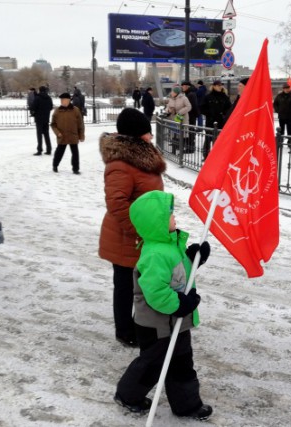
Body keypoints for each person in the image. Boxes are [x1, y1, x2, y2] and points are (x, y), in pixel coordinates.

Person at [114, 190, 213, 421]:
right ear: (156, 223)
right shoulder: (155, 254)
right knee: (152, 365)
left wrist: (193, 258)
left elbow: (178, 276)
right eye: (169, 215)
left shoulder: (169, 246)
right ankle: (127, 395)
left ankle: (187, 405)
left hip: (176, 321)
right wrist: (179, 304)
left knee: (181, 364)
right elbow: (156, 291)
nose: (174, 218)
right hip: (157, 325)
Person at [99, 108, 166, 348]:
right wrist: (141, 230)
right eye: (146, 132)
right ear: (135, 135)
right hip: (127, 236)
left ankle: (143, 326)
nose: (150, 136)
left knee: (144, 283)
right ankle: (125, 331)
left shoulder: (142, 156)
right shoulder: (120, 164)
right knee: (126, 286)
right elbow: (117, 204)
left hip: (146, 234)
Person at [51, 93, 85, 174]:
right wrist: (57, 133)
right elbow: (53, 124)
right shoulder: (57, 111)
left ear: (68, 100)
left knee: (75, 153)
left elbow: (80, 124)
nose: (61, 101)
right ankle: (55, 165)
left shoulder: (75, 110)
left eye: (63, 99)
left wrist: (81, 135)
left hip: (73, 135)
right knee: (59, 152)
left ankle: (75, 169)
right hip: (62, 136)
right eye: (61, 100)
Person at [199, 80, 231, 159]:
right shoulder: (208, 97)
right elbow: (201, 108)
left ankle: (216, 157)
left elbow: (229, 109)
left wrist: (224, 115)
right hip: (210, 121)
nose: (220, 87)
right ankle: (206, 156)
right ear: (214, 86)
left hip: (221, 122)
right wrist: (209, 113)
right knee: (208, 139)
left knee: (219, 141)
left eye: (221, 85)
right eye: (218, 85)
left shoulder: (225, 97)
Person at [166, 86, 192, 153]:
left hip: (182, 118)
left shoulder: (184, 98)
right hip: (173, 118)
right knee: (174, 134)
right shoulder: (171, 98)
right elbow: (167, 107)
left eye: (173, 92)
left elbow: (189, 107)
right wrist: (168, 110)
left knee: (181, 135)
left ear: (176, 92)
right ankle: (174, 150)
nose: (171, 93)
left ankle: (181, 151)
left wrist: (180, 112)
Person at [32, 86, 53, 155]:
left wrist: (35, 112)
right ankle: (49, 149)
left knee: (39, 135)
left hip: (38, 119)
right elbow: (51, 107)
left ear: (39, 90)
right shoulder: (49, 98)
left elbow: (33, 107)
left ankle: (39, 150)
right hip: (46, 118)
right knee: (46, 134)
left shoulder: (37, 98)